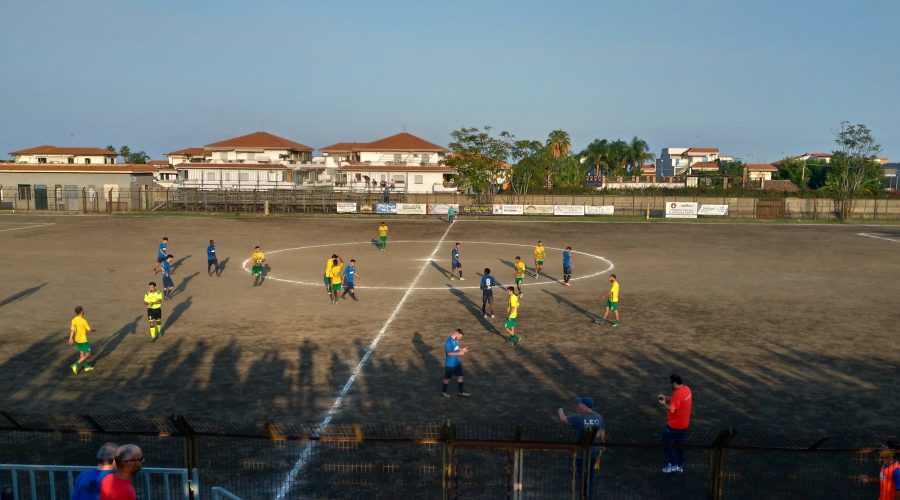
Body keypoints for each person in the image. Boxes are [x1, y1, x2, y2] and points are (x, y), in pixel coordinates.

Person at [558, 397, 606, 499]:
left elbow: (563, 419)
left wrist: (560, 410)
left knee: (581, 476)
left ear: (584, 406)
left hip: (580, 452)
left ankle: (583, 496)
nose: (578, 405)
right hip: (594, 452)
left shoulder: (579, 417)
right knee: (590, 476)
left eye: (579, 403)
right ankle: (589, 496)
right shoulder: (599, 417)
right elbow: (603, 436)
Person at [658, 374, 692, 474]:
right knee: (679, 445)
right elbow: (676, 400)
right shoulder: (686, 389)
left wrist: (663, 403)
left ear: (675, 383)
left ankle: (671, 465)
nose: (670, 385)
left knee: (666, 442)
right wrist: (666, 397)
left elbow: (672, 409)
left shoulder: (677, 394)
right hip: (684, 424)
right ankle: (679, 466)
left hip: (674, 425)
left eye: (671, 383)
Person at [442, 328, 471, 398]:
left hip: (457, 363)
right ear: (457, 334)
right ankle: (443, 392)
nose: (460, 338)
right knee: (447, 379)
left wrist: (462, 350)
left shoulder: (456, 340)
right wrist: (459, 353)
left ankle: (461, 392)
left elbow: (456, 348)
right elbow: (448, 353)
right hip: (450, 364)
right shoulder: (448, 342)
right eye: (460, 336)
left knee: (460, 376)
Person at [68, 306, 96, 374]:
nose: (83, 311)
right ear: (81, 311)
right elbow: (89, 330)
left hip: (77, 340)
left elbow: (72, 330)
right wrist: (93, 330)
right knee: (87, 354)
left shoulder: (73, 320)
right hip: (83, 340)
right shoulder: (83, 321)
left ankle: (86, 367)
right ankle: (75, 365)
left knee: (82, 354)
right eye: (82, 310)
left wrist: (71, 338)